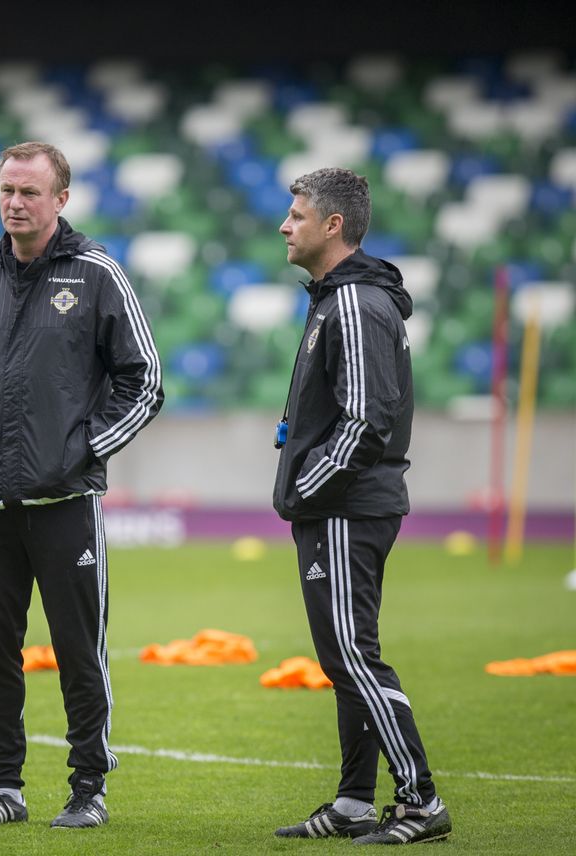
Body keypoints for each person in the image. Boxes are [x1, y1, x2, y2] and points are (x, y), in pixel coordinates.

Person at [0, 141, 163, 830]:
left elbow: (143, 381)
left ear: (60, 199)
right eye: (7, 189)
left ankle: (88, 787)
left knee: (77, 651)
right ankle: (2, 786)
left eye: (29, 192)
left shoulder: (97, 276)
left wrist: (85, 450)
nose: (15, 202)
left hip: (65, 503)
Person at [271, 167, 451, 845]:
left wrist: (305, 484)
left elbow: (367, 423)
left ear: (332, 225)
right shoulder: (334, 301)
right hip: (340, 506)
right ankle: (352, 802)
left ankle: (419, 801)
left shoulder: (352, 304)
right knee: (344, 654)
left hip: (347, 507)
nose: (285, 226)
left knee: (352, 652)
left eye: (296, 215)